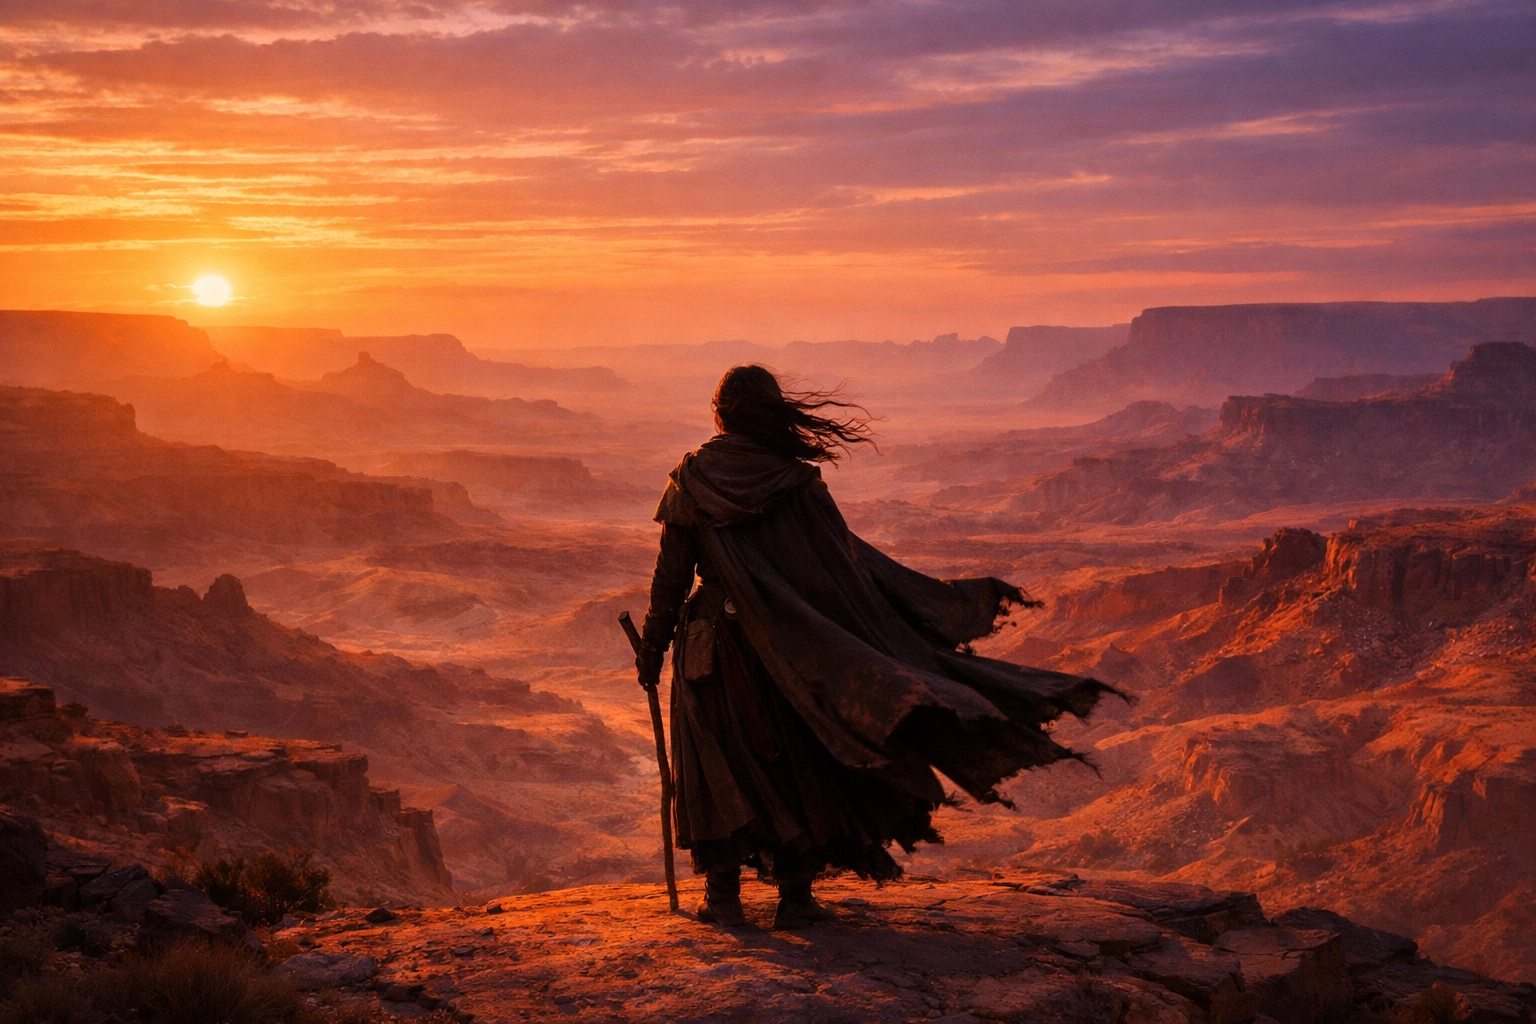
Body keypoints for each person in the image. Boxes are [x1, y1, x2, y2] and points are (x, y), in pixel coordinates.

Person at [636, 365, 1117, 929]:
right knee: (796, 765)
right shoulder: (796, 482)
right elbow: (841, 573)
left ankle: (723, 900)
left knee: (716, 763)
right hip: (791, 654)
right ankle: (794, 899)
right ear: (769, 410)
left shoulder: (691, 481)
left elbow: (670, 579)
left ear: (720, 414)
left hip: (712, 654)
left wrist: (652, 647)